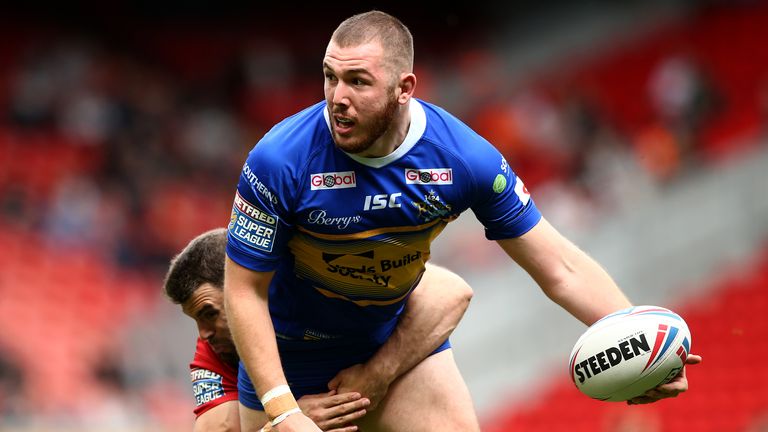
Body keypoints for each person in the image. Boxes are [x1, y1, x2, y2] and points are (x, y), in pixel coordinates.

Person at [223, 10, 701, 432]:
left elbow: (560, 266)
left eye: (358, 81)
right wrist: (284, 412)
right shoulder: (279, 159)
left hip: (392, 342)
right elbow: (243, 290)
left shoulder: (463, 158)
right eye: (330, 77)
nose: (337, 97)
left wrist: (642, 346)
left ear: (404, 88)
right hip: (289, 357)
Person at [164, 228, 474, 431]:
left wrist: (379, 373)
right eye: (196, 320)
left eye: (209, 313)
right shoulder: (213, 352)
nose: (203, 334)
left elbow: (451, 291)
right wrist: (288, 418)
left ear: (242, 287)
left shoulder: (311, 277)